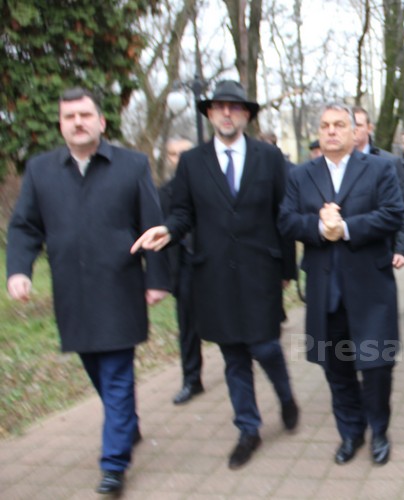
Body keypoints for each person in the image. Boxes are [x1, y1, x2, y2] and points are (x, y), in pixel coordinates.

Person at [6, 87, 170, 495]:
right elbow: (25, 226)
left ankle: (113, 464)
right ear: (61, 124)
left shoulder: (132, 165)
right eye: (69, 117)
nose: (77, 122)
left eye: (84, 115)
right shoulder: (41, 170)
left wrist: (157, 280)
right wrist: (19, 270)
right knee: (97, 370)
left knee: (116, 374)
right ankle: (126, 425)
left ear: (101, 121)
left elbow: (153, 225)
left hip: (120, 289)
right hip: (72, 293)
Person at [130, 80, 299, 470]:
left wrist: (287, 270)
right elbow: (183, 213)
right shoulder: (193, 162)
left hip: (261, 272)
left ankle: (286, 397)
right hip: (215, 275)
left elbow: (284, 215)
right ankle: (248, 429)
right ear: (209, 114)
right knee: (234, 355)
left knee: (266, 347)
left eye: (234, 107)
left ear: (246, 115)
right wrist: (168, 230)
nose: (226, 113)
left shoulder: (269, 157)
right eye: (219, 106)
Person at [278, 103, 404, 466]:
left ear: (354, 131)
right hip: (325, 293)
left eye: (339, 125)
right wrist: (320, 227)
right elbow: (286, 220)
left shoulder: (379, 168)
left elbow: (393, 214)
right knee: (337, 369)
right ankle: (350, 432)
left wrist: (346, 228)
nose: (331, 131)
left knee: (377, 368)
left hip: (371, 289)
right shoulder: (301, 175)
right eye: (325, 125)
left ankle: (379, 430)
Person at [159, 137, 205, 405]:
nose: (180, 159)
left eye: (185, 153)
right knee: (187, 326)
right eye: (174, 154)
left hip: (214, 264)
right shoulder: (163, 193)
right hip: (184, 266)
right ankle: (191, 379)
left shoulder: (211, 186)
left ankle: (240, 366)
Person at [351, 105, 404, 272]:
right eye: (350, 125)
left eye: (358, 125)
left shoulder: (389, 162)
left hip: (382, 250)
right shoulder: (337, 163)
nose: (353, 129)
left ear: (369, 128)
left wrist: (402, 248)